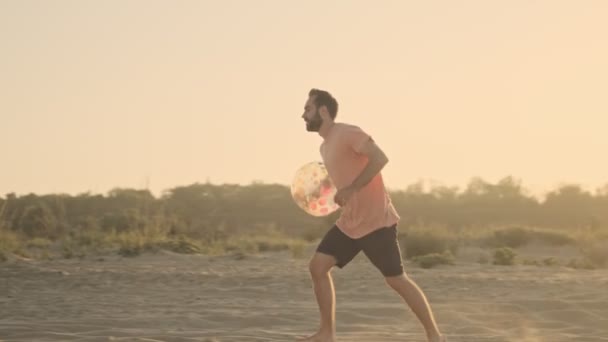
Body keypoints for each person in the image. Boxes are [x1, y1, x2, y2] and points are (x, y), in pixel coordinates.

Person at [297, 88, 446, 342]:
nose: (303, 115)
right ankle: (326, 333)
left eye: (308, 109)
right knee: (318, 267)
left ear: (323, 111)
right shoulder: (325, 148)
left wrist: (353, 188)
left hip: (376, 222)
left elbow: (380, 158)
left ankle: (435, 336)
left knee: (396, 280)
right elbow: (344, 177)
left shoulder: (347, 133)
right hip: (349, 223)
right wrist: (327, 194)